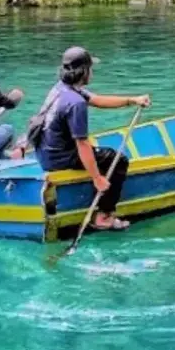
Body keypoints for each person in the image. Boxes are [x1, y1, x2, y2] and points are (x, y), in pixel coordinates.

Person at [37, 46, 151, 232]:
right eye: (90, 68)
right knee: (117, 160)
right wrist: (97, 178)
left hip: (45, 154)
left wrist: (132, 100)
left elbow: (98, 100)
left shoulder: (62, 89)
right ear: (84, 71)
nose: (92, 72)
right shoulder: (76, 103)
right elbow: (81, 144)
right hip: (60, 158)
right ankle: (104, 215)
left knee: (97, 151)